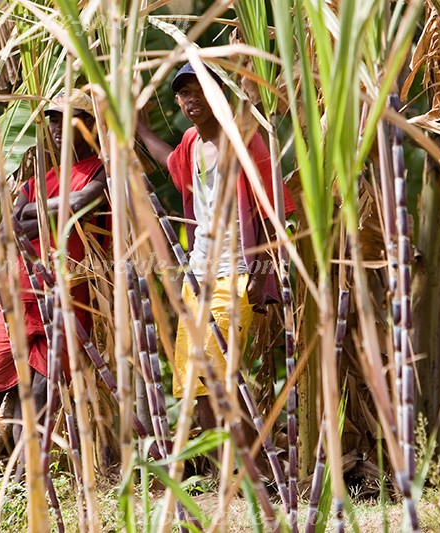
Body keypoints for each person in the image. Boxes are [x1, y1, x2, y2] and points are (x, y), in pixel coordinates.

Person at [136, 61, 296, 436]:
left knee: (218, 372)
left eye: (201, 90)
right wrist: (140, 128)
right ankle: (222, 468)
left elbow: (274, 207)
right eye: (185, 93)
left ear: (218, 93)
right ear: (178, 101)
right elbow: (171, 163)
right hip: (199, 272)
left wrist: (263, 272)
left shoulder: (243, 140)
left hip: (238, 271)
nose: (194, 100)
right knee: (197, 377)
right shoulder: (191, 143)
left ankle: (252, 467)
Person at [0, 90, 108, 473]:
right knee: (16, 382)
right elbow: (6, 225)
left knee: (44, 386)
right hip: (22, 294)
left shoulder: (102, 169)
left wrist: (33, 213)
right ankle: (19, 484)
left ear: (88, 125)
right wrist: (52, 209)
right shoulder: (41, 178)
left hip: (66, 292)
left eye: (66, 119)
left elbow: (84, 203)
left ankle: (24, 480)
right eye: (52, 119)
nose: (56, 128)